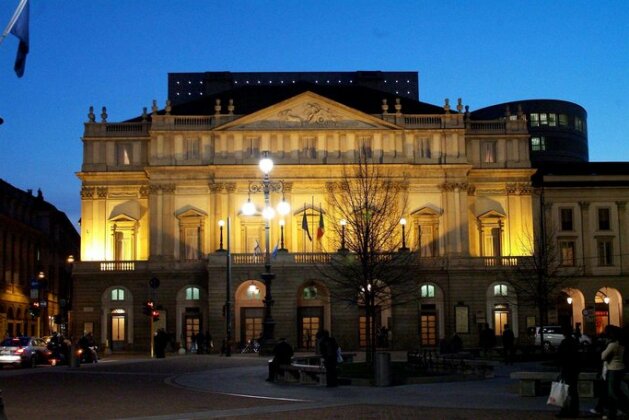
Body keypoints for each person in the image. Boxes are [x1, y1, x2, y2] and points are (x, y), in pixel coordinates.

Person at [601, 325, 629, 420]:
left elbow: (603, 356)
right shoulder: (621, 344)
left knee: (612, 393)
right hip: (620, 368)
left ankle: (617, 411)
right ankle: (615, 411)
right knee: (616, 391)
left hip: (613, 369)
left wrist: (605, 347)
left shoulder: (612, 344)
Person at [556, 325, 580, 418]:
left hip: (566, 369)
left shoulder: (565, 342)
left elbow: (560, 356)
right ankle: (574, 411)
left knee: (565, 391)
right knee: (573, 392)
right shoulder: (574, 342)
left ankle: (565, 411)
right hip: (574, 369)